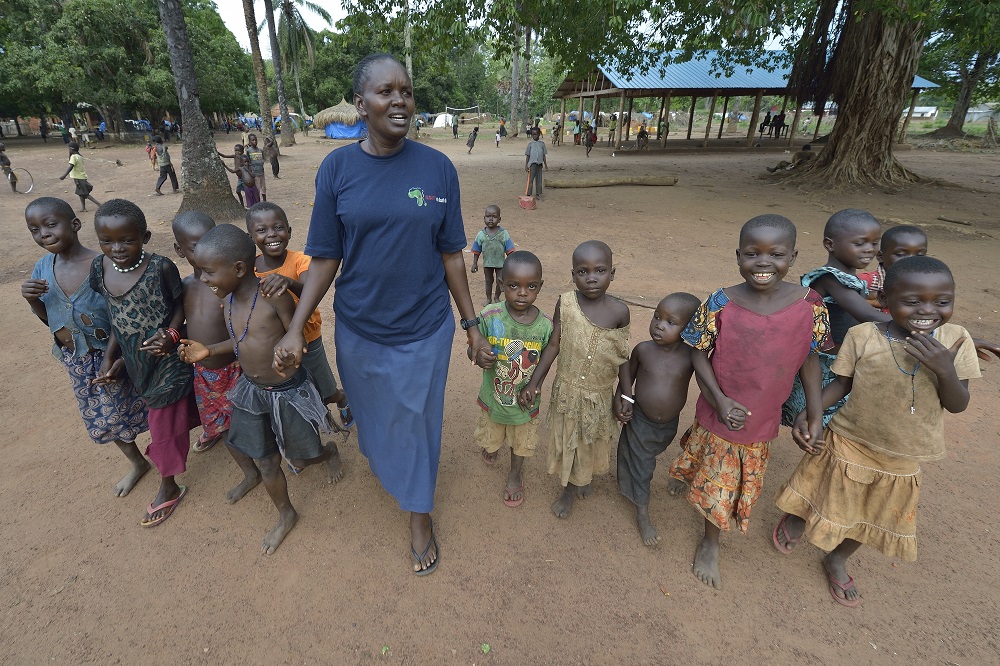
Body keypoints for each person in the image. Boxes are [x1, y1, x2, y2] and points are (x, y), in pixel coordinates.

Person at [272, 53, 487, 575]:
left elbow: (451, 253)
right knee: (373, 417)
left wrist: (471, 323)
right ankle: (391, 463)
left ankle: (419, 512)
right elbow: (325, 257)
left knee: (416, 421)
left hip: (424, 326)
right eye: (386, 91)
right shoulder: (338, 169)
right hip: (361, 328)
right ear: (361, 103)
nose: (400, 101)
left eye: (406, 92)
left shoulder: (437, 168)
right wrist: (297, 327)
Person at [774, 257, 980, 607]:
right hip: (850, 436)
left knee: (874, 511)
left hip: (904, 452)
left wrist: (944, 368)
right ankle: (797, 519)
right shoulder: (863, 335)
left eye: (942, 301)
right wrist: (812, 414)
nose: (927, 311)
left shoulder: (955, 340)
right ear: (885, 298)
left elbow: (957, 403)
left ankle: (838, 558)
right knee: (822, 485)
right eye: (912, 301)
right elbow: (842, 383)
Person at [665, 214, 830, 590]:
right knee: (704, 449)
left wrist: (814, 413)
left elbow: (811, 357)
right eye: (753, 254)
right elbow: (697, 351)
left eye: (776, 254)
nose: (763, 263)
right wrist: (720, 400)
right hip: (720, 404)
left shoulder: (810, 304)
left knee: (727, 477)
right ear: (738, 255)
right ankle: (709, 540)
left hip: (762, 413)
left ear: (793, 256)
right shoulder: (721, 301)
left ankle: (709, 532)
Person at [178, 225, 341, 554]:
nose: (204, 279)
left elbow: (296, 335)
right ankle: (286, 514)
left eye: (209, 272)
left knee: (301, 457)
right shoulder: (227, 301)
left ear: (238, 269)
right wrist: (209, 351)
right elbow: (244, 342)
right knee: (266, 461)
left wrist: (288, 353)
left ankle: (328, 453)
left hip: (287, 392)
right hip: (251, 391)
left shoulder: (273, 294)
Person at [21, 196, 150, 497]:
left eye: (51, 225)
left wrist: (115, 356)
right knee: (102, 416)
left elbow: (123, 316)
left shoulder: (103, 265)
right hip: (77, 360)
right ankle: (137, 463)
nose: (44, 234)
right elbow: (49, 320)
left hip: (117, 356)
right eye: (35, 230)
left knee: (145, 404)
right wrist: (32, 300)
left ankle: (169, 453)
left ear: (75, 224)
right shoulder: (42, 267)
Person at [89, 199, 198, 527]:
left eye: (127, 239)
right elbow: (115, 314)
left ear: (145, 237)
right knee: (175, 410)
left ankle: (169, 486)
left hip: (167, 358)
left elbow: (181, 306)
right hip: (135, 361)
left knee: (163, 422)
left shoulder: (161, 267)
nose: (117, 248)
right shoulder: (100, 268)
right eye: (107, 241)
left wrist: (173, 334)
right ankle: (214, 426)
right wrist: (112, 354)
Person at [517, 240, 630, 519]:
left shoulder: (619, 311)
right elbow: (554, 345)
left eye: (600, 270)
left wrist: (625, 395)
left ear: (612, 273)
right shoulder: (565, 303)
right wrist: (535, 382)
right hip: (567, 390)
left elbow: (622, 356)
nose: (591, 277)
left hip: (599, 394)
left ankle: (583, 477)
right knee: (569, 439)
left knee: (589, 439)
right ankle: (568, 488)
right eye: (582, 271)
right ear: (573, 275)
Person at [248, 201, 354, 436]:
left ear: (289, 231)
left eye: (278, 227)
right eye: (262, 230)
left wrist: (289, 282)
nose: (271, 235)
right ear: (251, 236)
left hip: (308, 339)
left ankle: (341, 397)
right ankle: (306, 440)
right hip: (274, 344)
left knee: (323, 389)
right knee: (291, 391)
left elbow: (311, 289)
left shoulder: (300, 261)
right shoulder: (250, 268)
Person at [781, 210, 890, 427]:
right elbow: (866, 314)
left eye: (874, 242)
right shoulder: (829, 277)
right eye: (860, 243)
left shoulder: (851, 279)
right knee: (819, 419)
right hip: (822, 363)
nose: (869, 249)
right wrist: (932, 331)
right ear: (830, 244)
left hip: (841, 361)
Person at [614, 293, 700, 546]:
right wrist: (623, 400)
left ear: (689, 328)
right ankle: (642, 511)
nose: (659, 325)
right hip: (640, 417)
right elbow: (626, 377)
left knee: (645, 456)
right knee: (643, 464)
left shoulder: (691, 356)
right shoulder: (644, 350)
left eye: (670, 322)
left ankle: (632, 481)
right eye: (656, 317)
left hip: (668, 425)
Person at [471, 251, 552, 508]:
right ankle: (492, 446)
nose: (522, 293)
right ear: (502, 284)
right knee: (491, 433)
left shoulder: (545, 326)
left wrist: (534, 384)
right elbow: (473, 347)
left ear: (540, 286)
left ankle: (515, 474)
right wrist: (477, 355)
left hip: (524, 400)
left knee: (521, 441)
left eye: (531, 286)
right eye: (514, 285)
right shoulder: (489, 316)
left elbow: (548, 358)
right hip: (494, 395)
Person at [858, 225, 1000, 359]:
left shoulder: (930, 284)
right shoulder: (865, 282)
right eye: (901, 254)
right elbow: (859, 309)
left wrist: (952, 340)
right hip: (879, 339)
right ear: (881, 256)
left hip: (912, 336)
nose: (911, 260)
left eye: (919, 255)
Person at [171, 211, 240, 453]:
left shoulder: (228, 286)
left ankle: (250, 442)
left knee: (244, 415)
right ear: (180, 251)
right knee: (211, 412)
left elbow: (243, 331)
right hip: (202, 369)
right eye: (194, 246)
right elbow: (187, 322)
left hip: (233, 366)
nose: (204, 251)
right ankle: (216, 430)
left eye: (210, 241)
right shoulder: (186, 286)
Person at [470, 204, 515, 305]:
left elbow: (510, 250)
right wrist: (474, 263)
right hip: (487, 263)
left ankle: (496, 297)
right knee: (488, 281)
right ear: (484, 218)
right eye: (488, 216)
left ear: (499, 219)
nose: (491, 219)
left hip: (500, 263)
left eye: (494, 217)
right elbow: (477, 250)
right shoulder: (481, 234)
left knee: (500, 280)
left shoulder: (503, 234)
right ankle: (488, 298)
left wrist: (512, 263)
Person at [59, 142, 101, 212]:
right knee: (80, 193)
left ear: (71, 149)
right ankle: (83, 208)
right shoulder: (79, 156)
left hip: (79, 178)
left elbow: (71, 166)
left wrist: (64, 175)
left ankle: (99, 204)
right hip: (80, 177)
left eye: (69, 149)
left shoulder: (73, 157)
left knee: (85, 194)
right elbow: (72, 163)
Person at [217, 143, 247, 207]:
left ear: (242, 152)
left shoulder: (243, 158)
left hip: (245, 178)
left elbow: (232, 171)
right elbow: (224, 156)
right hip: (239, 178)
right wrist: (217, 152)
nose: (237, 152)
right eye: (236, 150)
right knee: (238, 192)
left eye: (239, 151)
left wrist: (225, 165)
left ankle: (249, 203)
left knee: (247, 192)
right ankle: (242, 205)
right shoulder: (234, 156)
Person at [524, 127, 548, 199]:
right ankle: (529, 193)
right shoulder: (530, 144)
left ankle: (538, 193)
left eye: (536, 134)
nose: (535, 136)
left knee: (539, 179)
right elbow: (527, 155)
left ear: (539, 134)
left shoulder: (542, 144)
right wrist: (526, 165)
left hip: (540, 164)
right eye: (533, 134)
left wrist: (546, 165)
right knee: (531, 179)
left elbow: (544, 155)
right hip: (532, 164)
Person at [244, 133, 267, 201]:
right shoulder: (249, 151)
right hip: (254, 173)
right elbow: (247, 162)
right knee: (257, 188)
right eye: (253, 140)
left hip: (261, 172)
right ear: (250, 142)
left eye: (256, 140)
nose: (255, 142)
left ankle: (265, 201)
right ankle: (258, 201)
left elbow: (262, 160)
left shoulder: (260, 150)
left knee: (263, 188)